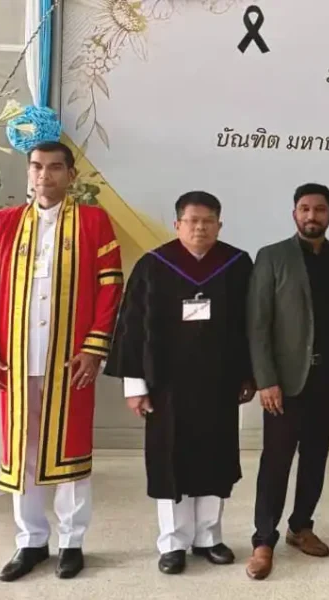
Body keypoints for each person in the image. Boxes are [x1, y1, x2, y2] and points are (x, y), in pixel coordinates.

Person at [0, 141, 123, 581]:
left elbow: (110, 287)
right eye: (37, 167)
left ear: (70, 174)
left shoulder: (93, 221)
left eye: (55, 167)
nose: (45, 175)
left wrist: (94, 348)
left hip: (69, 359)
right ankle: (31, 541)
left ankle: (72, 541)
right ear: (29, 172)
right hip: (16, 360)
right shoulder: (5, 222)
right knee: (23, 449)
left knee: (71, 448)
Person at [104, 191, 254, 575]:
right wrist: (135, 386)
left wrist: (248, 375)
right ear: (177, 224)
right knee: (170, 460)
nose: (200, 228)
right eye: (192, 221)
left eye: (208, 221)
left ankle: (209, 537)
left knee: (215, 457)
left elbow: (251, 326)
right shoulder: (154, 265)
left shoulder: (237, 265)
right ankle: (172, 543)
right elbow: (132, 328)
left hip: (219, 384)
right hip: (166, 385)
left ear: (219, 224)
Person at [245, 183, 329, 580]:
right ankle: (263, 539)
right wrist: (266, 380)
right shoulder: (272, 256)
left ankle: (301, 526)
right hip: (285, 382)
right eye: (305, 209)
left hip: (327, 379)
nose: (312, 216)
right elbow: (258, 323)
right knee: (276, 461)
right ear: (294, 214)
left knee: (315, 457)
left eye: (320, 209)